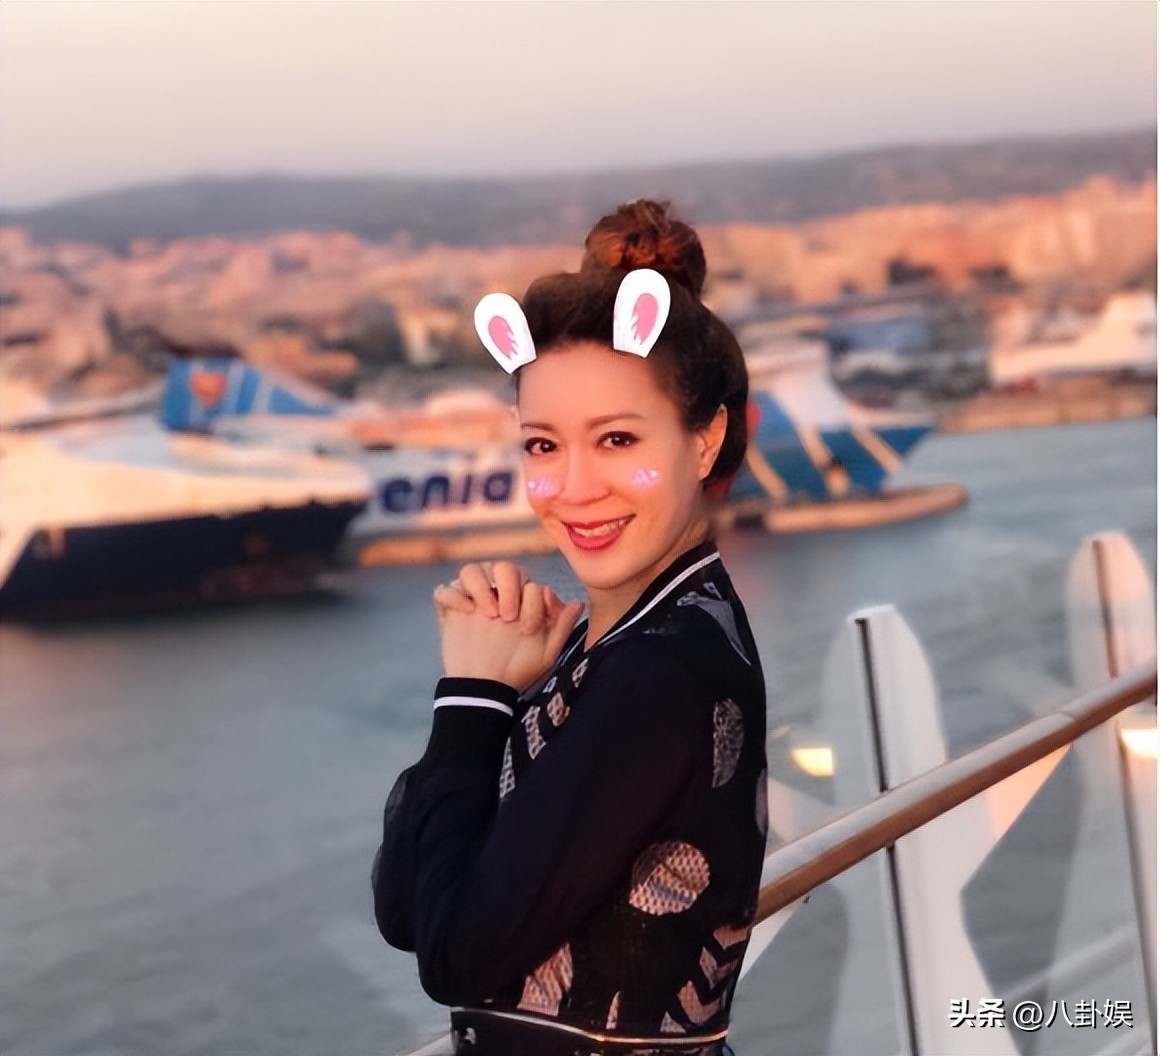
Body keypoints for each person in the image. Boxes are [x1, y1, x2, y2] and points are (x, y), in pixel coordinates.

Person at [372, 200, 768, 1056]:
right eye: (543, 446)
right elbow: (405, 908)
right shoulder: (637, 640)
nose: (574, 488)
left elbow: (454, 956)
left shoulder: (659, 674)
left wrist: (472, 697)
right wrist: (498, 696)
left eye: (617, 440)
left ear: (706, 441)